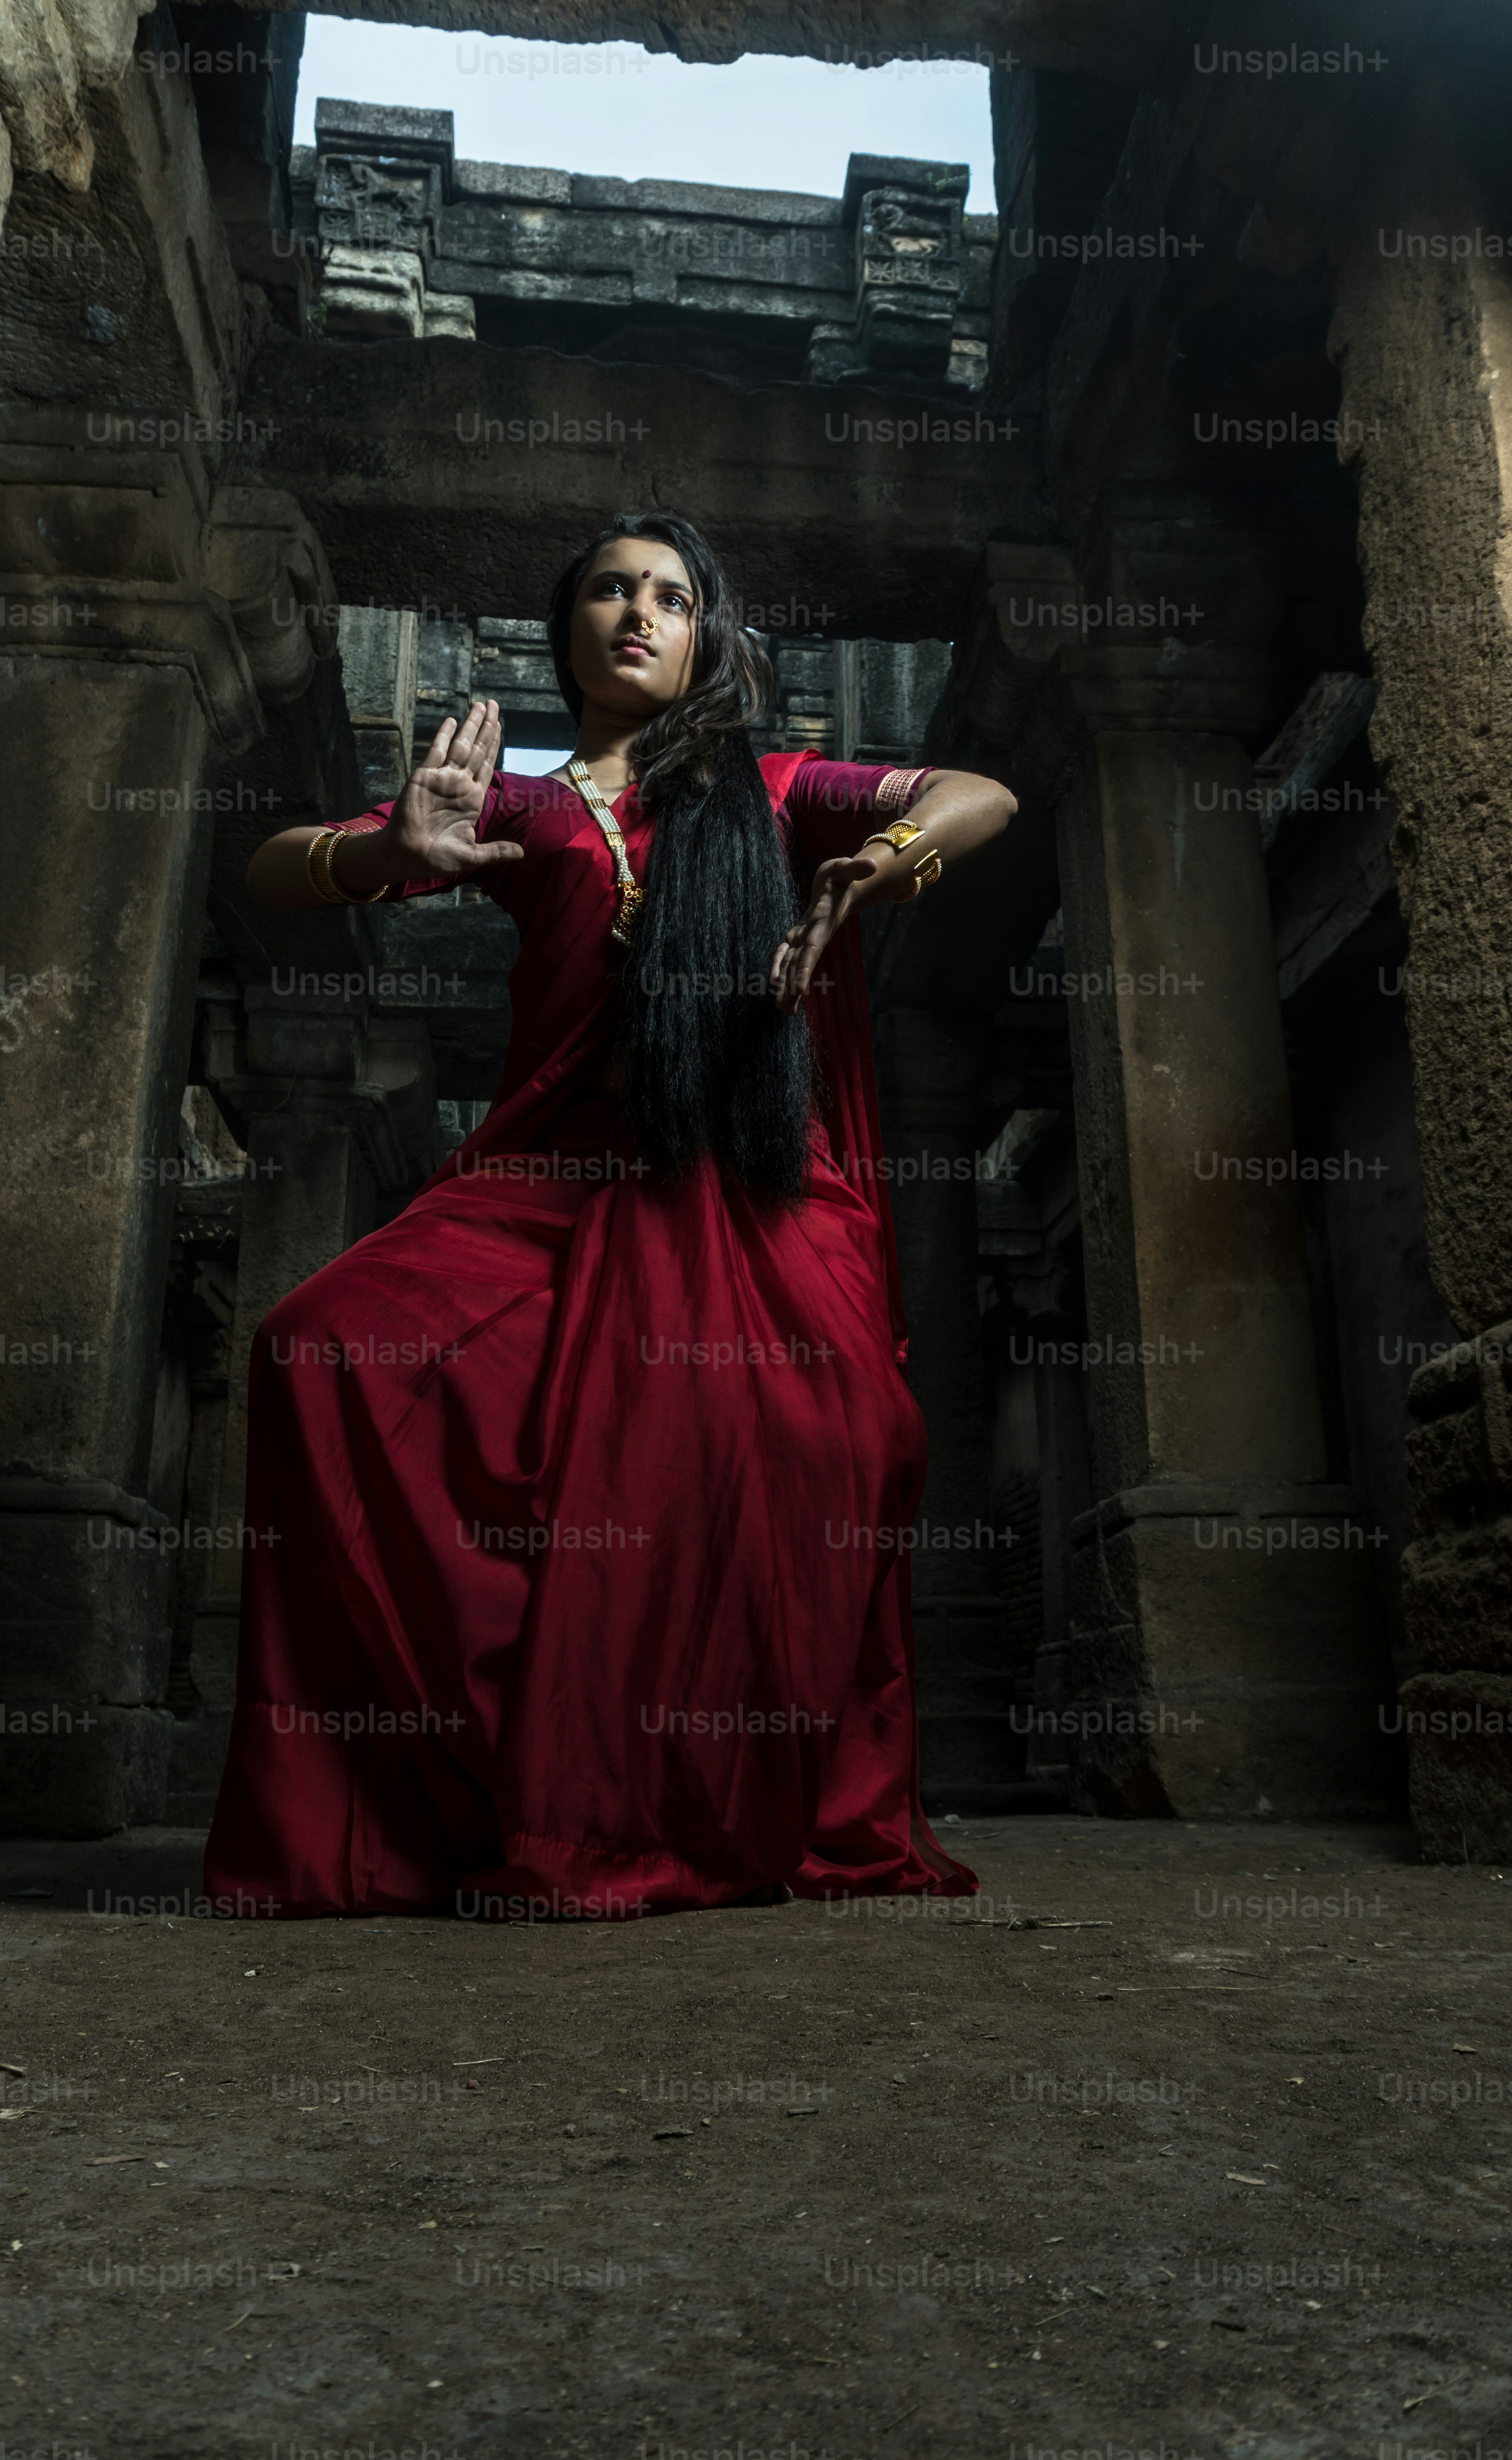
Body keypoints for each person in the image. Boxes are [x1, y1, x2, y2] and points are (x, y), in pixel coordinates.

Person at [204, 511, 1015, 1920]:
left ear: (706, 635)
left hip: (750, 1187)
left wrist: (887, 861)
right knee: (318, 1348)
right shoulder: (516, 808)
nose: (639, 614)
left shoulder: (778, 786)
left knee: (836, 1431)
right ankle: (470, 1784)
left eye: (672, 597)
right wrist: (390, 852)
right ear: (563, 627)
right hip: (554, 1183)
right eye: (609, 592)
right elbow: (275, 864)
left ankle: (700, 1792)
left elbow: (980, 791)